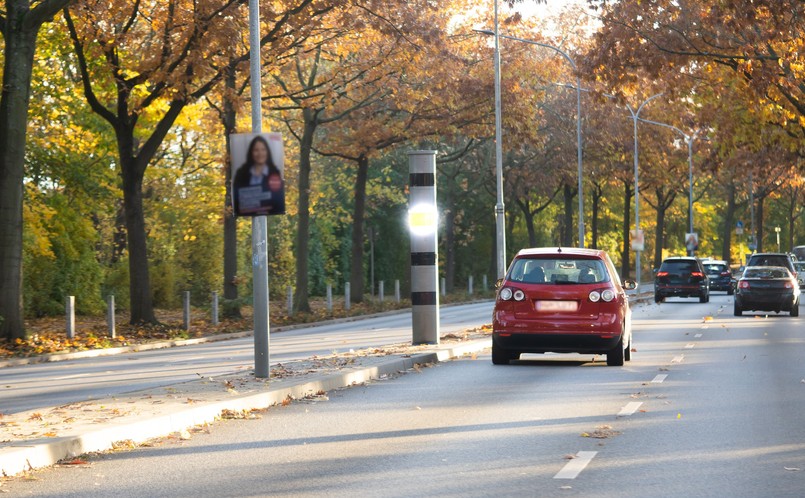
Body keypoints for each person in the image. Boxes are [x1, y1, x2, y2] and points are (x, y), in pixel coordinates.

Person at [233, 135, 285, 216]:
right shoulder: (241, 173)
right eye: (256, 150)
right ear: (251, 152)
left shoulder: (275, 173)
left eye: (263, 149)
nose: (260, 153)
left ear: (267, 152)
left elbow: (278, 202)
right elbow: (237, 201)